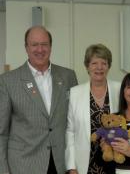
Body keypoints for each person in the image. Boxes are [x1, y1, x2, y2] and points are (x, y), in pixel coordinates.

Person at [0, 26, 78, 174]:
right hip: (23, 165)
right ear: (26, 47)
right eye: (34, 44)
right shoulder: (7, 81)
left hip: (61, 164)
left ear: (51, 46)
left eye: (44, 44)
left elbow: (73, 123)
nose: (40, 49)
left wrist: (74, 163)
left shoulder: (68, 76)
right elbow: (1, 133)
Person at [65, 43, 121, 174]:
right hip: (84, 164)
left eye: (104, 63)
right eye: (94, 63)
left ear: (109, 66)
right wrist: (71, 166)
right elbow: (70, 132)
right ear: (87, 66)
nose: (99, 67)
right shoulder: (74, 93)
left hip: (113, 161)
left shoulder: (120, 89)